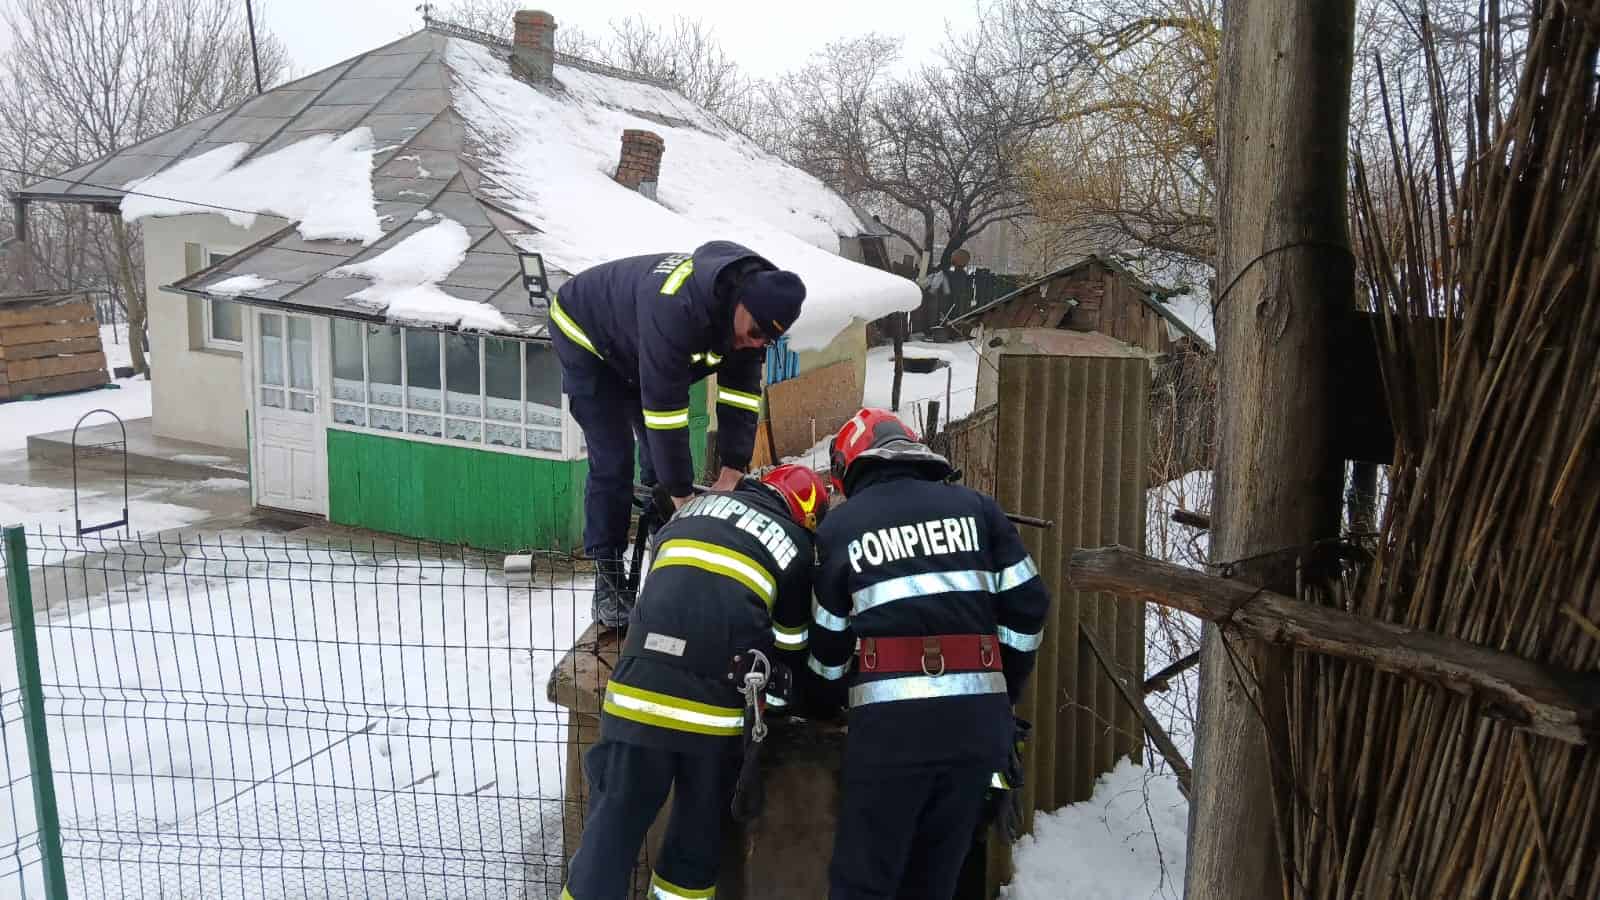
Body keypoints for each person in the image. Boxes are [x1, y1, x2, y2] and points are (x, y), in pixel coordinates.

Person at [808, 408, 1051, 900]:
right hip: (977, 730)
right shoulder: (979, 509)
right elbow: (1030, 606)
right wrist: (1001, 688)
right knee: (934, 881)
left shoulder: (842, 527)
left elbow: (828, 646)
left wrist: (824, 701)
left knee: (863, 882)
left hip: (891, 736)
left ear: (851, 467)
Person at [560, 464, 829, 900]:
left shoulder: (689, 513)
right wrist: (783, 707)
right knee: (695, 841)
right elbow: (791, 649)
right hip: (711, 715)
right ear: (807, 516)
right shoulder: (794, 544)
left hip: (635, 695)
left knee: (612, 829)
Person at [549, 240, 806, 627]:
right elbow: (665, 412)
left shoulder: (752, 321)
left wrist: (733, 469)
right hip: (586, 336)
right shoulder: (678, 309)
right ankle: (609, 579)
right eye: (754, 332)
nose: (755, 343)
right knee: (614, 458)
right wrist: (682, 496)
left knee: (659, 466)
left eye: (765, 341)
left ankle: (667, 552)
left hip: (636, 345)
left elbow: (739, 397)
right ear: (741, 303)